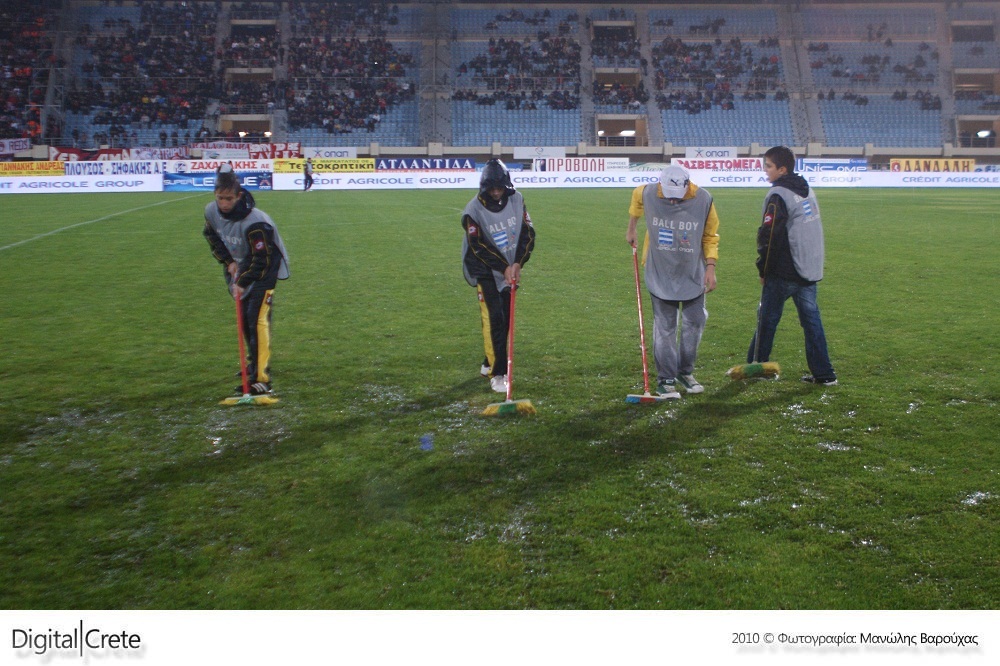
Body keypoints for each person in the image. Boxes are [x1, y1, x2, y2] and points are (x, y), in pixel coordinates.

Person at [626, 164, 719, 398]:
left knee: (695, 322)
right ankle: (666, 378)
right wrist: (632, 227)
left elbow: (710, 235)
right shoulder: (648, 192)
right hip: (660, 269)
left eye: (677, 195)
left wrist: (710, 266)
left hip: (692, 271)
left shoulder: (704, 199)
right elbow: (636, 199)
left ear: (688, 185)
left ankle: (685, 372)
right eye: (668, 194)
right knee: (665, 327)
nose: (673, 200)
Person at [747, 145, 836, 385]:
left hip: (785, 270)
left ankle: (756, 368)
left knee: (767, 320)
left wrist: (763, 269)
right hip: (809, 268)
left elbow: (769, 236)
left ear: (782, 169)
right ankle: (825, 374)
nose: (765, 170)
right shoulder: (806, 189)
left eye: (768, 166)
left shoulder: (779, 195)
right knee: (811, 322)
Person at [203, 164, 291, 395]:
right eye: (220, 198)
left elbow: (262, 259)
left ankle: (261, 379)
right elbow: (211, 236)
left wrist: (242, 282)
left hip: (265, 269)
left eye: (229, 199)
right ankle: (254, 364)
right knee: (244, 320)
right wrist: (228, 262)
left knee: (257, 319)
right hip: (239, 268)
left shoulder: (256, 222)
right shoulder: (211, 212)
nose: (224, 204)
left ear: (239, 196)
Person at [461, 159, 536, 394]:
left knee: (506, 319)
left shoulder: (517, 200)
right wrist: (503, 267)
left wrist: (518, 263)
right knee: (495, 318)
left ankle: (488, 362)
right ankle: (498, 373)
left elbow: (528, 233)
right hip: (484, 269)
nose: (496, 193)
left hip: (509, 266)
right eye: (491, 189)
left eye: (499, 188)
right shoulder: (472, 211)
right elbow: (478, 247)